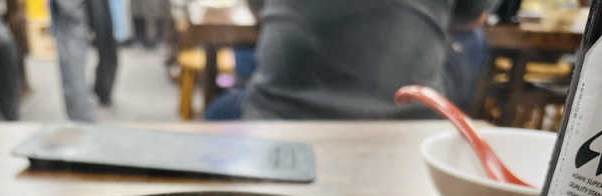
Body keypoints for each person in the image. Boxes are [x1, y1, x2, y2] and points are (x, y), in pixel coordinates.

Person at [207, 0, 490, 120]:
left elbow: (261, 11)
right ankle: (469, 116)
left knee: (218, 109)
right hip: (411, 117)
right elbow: (472, 18)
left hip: (280, 114)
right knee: (474, 43)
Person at [49, 0, 118, 120]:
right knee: (73, 69)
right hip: (74, 16)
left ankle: (82, 119)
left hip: (72, 16)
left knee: (73, 70)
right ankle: (82, 116)